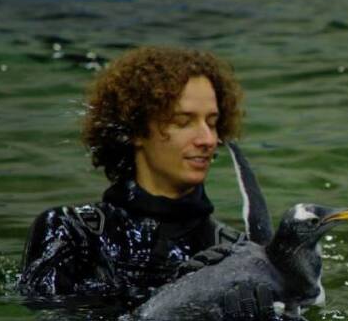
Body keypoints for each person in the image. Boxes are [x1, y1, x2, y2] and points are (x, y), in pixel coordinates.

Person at [18, 46, 246, 301]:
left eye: (212, 123)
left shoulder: (235, 251)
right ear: (136, 130)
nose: (207, 139)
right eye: (183, 121)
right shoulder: (72, 231)